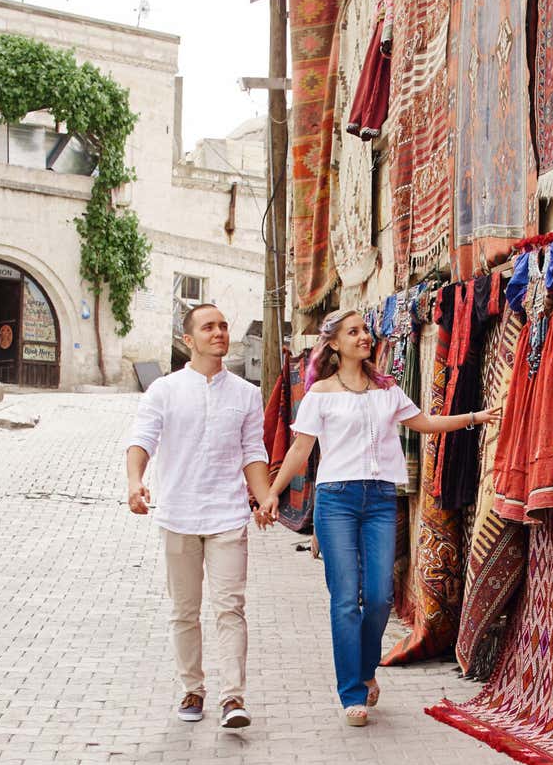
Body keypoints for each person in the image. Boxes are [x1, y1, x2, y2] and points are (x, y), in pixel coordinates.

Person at [257, 308, 498, 726]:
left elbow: (424, 422)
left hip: (381, 499)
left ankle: (366, 668)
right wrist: (271, 495)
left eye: (365, 330)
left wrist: (474, 418)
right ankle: (352, 691)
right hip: (337, 501)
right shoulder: (320, 395)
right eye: (353, 332)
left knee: (381, 596)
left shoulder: (387, 388)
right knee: (346, 599)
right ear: (334, 343)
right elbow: (300, 451)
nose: (364, 337)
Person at [126, 303, 273, 729]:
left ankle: (233, 698)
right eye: (209, 327)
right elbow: (142, 441)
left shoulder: (246, 394)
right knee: (185, 611)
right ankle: (192, 687)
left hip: (228, 516)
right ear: (188, 340)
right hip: (177, 515)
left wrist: (263, 497)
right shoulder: (164, 391)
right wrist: (135, 482)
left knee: (231, 608)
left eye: (224, 326)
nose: (220, 333)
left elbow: (253, 452)